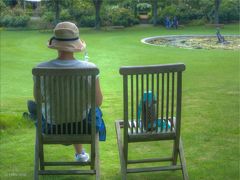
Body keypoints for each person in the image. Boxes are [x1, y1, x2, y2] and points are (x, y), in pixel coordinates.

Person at [26, 22, 103, 162]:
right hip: (82, 126)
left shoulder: (40, 69)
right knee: (92, 112)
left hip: (52, 127)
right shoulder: (90, 69)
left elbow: (39, 100)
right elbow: (98, 102)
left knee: (33, 106)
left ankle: (80, 154)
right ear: (76, 45)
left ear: (55, 45)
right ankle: (80, 155)